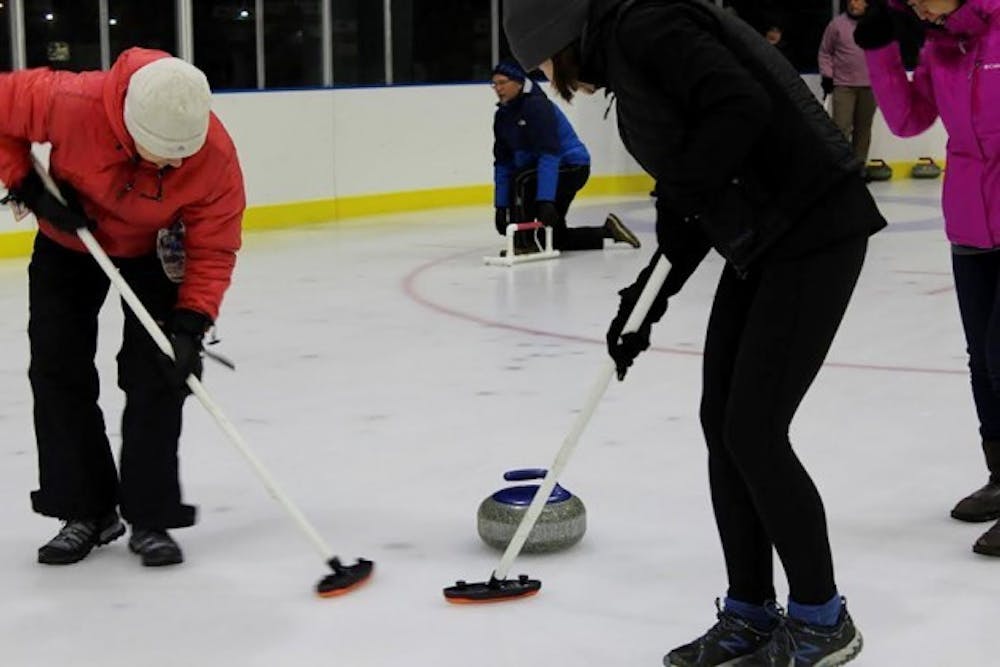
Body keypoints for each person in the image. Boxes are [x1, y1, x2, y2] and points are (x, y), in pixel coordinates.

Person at [502, 1, 886, 664]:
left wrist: (684, 203)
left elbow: (738, 111)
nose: (541, 74)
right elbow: (695, 202)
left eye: (535, 59)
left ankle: (823, 618)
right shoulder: (630, 56)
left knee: (755, 430)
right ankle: (748, 611)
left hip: (815, 225)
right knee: (722, 420)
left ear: (555, 37)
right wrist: (643, 306)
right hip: (764, 238)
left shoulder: (649, 28)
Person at [0, 48, 245, 567]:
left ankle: (150, 515)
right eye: (159, 153)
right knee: (57, 368)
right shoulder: (71, 100)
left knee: (159, 373)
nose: (173, 165)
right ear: (125, 124)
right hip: (70, 242)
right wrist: (29, 187)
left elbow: (214, 245)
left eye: (182, 155)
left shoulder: (215, 157)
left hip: (155, 251)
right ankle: (84, 509)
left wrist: (192, 321)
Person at [855, 0, 1000, 556]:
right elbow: (908, 120)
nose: (916, 7)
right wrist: (881, 51)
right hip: (969, 218)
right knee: (982, 361)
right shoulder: (942, 48)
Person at [490, 59, 640, 254]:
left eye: (503, 83)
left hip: (572, 166)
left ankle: (524, 244)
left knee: (523, 180)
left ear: (518, 81)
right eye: (495, 84)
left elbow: (549, 154)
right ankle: (607, 231)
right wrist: (501, 207)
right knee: (553, 237)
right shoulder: (502, 117)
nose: (498, 88)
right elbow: (502, 163)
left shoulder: (537, 107)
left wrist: (545, 200)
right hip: (545, 170)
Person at [819, 0, 878, 169]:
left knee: (863, 129)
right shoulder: (837, 25)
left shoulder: (874, 25)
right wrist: (827, 77)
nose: (854, 4)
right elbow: (825, 52)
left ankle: (859, 166)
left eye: (859, 0)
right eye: (852, 0)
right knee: (841, 127)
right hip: (843, 85)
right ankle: (841, 167)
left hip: (869, 86)